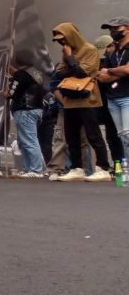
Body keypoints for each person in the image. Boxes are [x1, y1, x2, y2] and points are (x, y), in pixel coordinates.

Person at [52, 22, 111, 182]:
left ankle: (103, 168)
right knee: (71, 136)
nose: (61, 43)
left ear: (72, 36)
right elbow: (59, 73)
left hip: (87, 98)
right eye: (58, 41)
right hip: (70, 98)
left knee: (94, 135)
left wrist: (70, 59)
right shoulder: (66, 51)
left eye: (63, 39)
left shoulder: (90, 50)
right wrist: (70, 64)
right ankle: (76, 168)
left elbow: (82, 72)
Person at [7, 49, 46, 178]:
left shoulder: (21, 74)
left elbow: (12, 93)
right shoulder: (37, 73)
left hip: (25, 109)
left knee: (28, 140)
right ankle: (29, 168)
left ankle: (35, 170)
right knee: (26, 140)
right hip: (37, 109)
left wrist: (6, 93)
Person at [97, 17, 129, 160]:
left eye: (117, 28)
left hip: (127, 97)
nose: (113, 31)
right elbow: (101, 77)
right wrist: (118, 72)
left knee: (128, 134)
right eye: (111, 29)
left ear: (127, 28)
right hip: (113, 99)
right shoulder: (113, 53)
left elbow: (128, 70)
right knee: (122, 136)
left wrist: (110, 71)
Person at [93, 35, 125, 164]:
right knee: (113, 137)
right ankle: (118, 166)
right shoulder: (104, 61)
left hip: (119, 100)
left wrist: (110, 73)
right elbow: (101, 77)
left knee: (121, 135)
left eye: (107, 48)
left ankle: (120, 165)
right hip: (107, 102)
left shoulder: (120, 57)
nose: (105, 52)